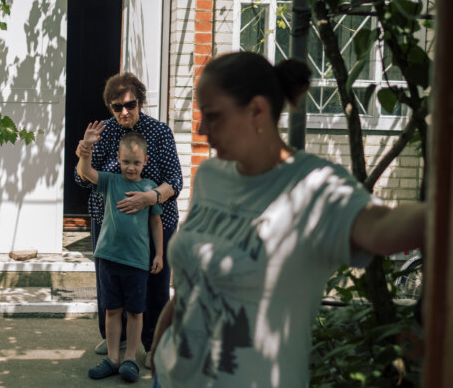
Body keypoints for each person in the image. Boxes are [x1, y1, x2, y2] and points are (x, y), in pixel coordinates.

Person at [150, 52, 426, 388]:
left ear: (257, 111)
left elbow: (384, 228)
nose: (201, 128)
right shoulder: (210, 175)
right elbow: (201, 271)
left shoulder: (315, 186)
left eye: (213, 116)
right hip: (170, 377)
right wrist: (168, 322)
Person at [74, 73, 183, 368]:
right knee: (110, 282)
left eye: (130, 104)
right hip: (109, 222)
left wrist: (150, 198)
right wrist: (84, 153)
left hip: (153, 222)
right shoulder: (104, 132)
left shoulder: (159, 133)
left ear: (140, 101)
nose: (124, 111)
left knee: (154, 283)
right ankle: (116, 341)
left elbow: (175, 180)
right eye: (116, 107)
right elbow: (83, 179)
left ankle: (154, 344)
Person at [78, 129, 164, 383]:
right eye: (126, 162)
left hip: (137, 262)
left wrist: (159, 254)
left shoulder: (149, 189)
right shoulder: (110, 181)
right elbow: (86, 172)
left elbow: (156, 224)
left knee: (136, 312)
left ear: (145, 161)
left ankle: (129, 360)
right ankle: (112, 358)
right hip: (108, 258)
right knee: (112, 310)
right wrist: (87, 148)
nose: (130, 168)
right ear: (118, 158)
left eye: (136, 163)